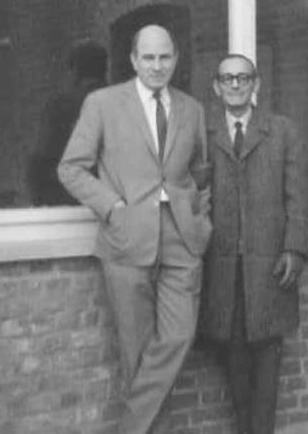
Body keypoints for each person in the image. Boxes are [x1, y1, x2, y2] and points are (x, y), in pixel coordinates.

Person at [57, 24, 211, 434]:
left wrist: (201, 221)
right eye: (149, 58)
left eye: (165, 57)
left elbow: (202, 176)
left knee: (178, 337)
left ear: (176, 59)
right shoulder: (103, 103)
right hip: (126, 239)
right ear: (133, 60)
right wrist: (112, 207)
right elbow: (71, 168)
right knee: (137, 355)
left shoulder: (193, 110)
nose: (157, 66)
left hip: (182, 238)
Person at [200, 54, 308, 434]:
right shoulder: (204, 133)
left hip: (269, 267)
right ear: (216, 87)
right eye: (227, 79)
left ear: (256, 85)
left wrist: (295, 249)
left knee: (266, 359)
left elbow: (299, 197)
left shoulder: (282, 132)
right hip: (223, 269)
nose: (235, 85)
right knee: (234, 361)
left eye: (243, 78)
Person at [29, 39, 107, 206]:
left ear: (74, 71)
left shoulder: (60, 107)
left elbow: (40, 162)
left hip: (68, 206)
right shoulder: (126, 104)